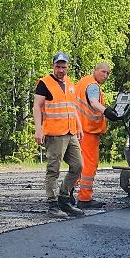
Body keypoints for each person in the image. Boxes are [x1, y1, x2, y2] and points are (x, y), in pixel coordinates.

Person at [34, 52, 83, 216]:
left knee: (78, 166)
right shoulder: (44, 83)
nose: (61, 70)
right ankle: (52, 204)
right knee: (53, 169)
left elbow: (73, 106)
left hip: (71, 132)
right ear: (53, 66)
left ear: (67, 66)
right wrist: (38, 129)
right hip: (55, 133)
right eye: (58, 66)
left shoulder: (69, 83)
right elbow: (36, 107)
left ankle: (64, 198)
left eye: (63, 66)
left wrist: (79, 126)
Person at [75, 61, 112, 207]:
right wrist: (107, 111)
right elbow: (94, 102)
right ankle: (85, 198)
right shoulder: (92, 86)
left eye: (108, 73)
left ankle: (68, 193)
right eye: (103, 72)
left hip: (77, 129)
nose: (106, 76)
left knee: (77, 164)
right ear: (95, 71)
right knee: (90, 164)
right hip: (88, 131)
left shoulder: (82, 82)